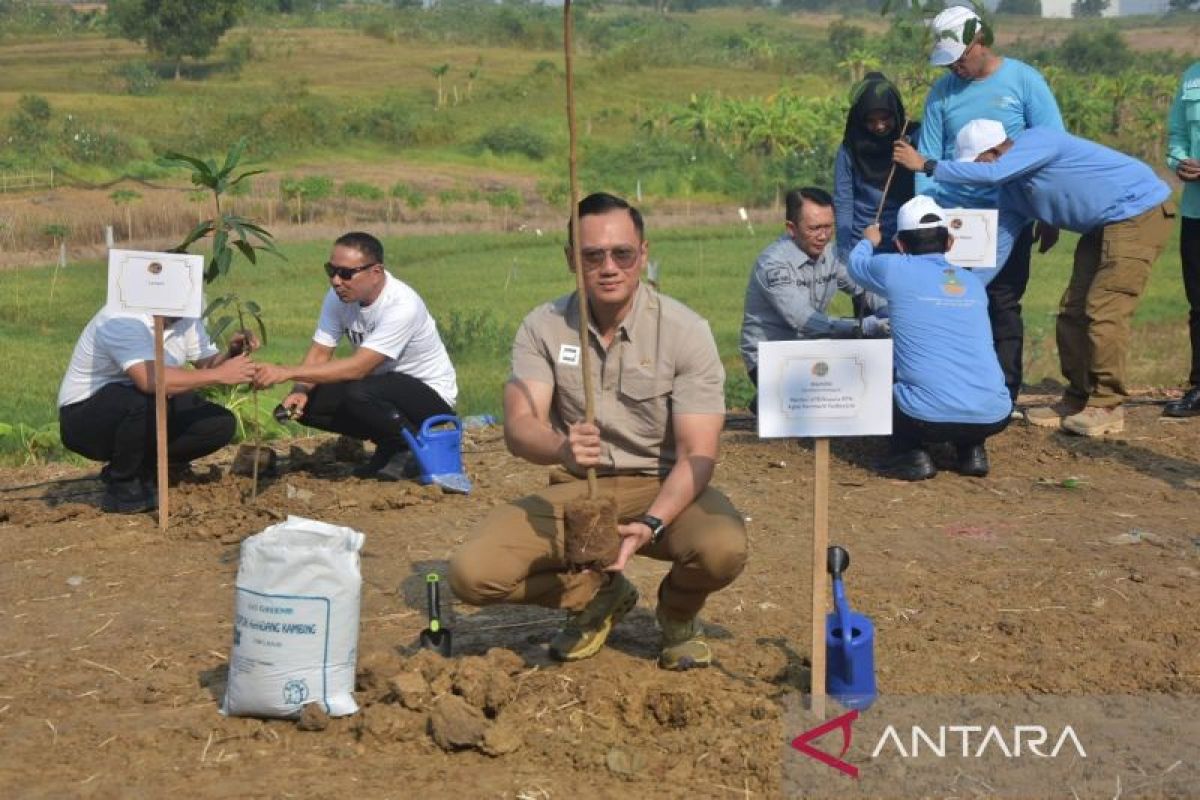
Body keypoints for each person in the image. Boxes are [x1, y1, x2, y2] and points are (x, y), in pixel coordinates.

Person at [449, 192, 747, 671]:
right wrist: (561, 447)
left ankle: (677, 615)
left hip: (664, 486)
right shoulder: (543, 327)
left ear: (643, 254)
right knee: (472, 575)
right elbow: (520, 426)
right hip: (579, 490)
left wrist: (651, 525)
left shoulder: (684, 330)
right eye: (592, 256)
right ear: (571, 259)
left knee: (722, 548)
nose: (609, 267)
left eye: (622, 254)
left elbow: (699, 453)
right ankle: (595, 595)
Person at [895, 120, 1176, 436]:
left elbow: (993, 173)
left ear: (996, 150)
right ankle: (1078, 397)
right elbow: (993, 258)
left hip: (1138, 212)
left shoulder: (1040, 140)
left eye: (977, 163)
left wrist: (927, 165)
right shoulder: (1012, 194)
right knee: (1072, 311)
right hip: (1102, 225)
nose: (975, 175)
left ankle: (1107, 404)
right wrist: (954, 293)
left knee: (1104, 311)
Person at [916, 5, 1064, 404]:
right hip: (953, 219)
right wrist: (926, 218)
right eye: (948, 63)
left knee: (1002, 301)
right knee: (953, 300)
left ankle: (1004, 393)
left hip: (1010, 214)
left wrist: (1048, 213)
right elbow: (927, 157)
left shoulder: (1024, 81)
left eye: (960, 59)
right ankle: (958, 388)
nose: (955, 70)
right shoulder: (942, 93)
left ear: (980, 43)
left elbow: (1053, 143)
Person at [253, 232, 458, 480]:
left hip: (429, 398)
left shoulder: (402, 305)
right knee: (310, 404)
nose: (336, 281)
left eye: (346, 273)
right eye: (331, 270)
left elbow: (358, 368)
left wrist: (286, 372)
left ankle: (410, 446)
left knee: (360, 392)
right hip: (381, 390)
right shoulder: (338, 298)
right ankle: (390, 442)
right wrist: (299, 390)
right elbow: (320, 351)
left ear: (376, 272)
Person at [849, 196, 1012, 480]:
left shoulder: (893, 267)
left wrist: (869, 240)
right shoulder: (972, 283)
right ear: (950, 242)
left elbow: (855, 265)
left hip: (925, 419)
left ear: (900, 245)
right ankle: (972, 452)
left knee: (876, 373)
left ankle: (910, 455)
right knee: (962, 370)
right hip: (995, 415)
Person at [58, 310, 257, 513]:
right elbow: (150, 380)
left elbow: (206, 363)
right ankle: (124, 485)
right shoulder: (120, 317)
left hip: (143, 404)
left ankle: (146, 467)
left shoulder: (184, 316)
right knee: (146, 401)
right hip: (85, 418)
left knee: (218, 424)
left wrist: (231, 355)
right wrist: (219, 374)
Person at [740, 187, 886, 395]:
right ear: (791, 228)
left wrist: (891, 310)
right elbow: (804, 321)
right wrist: (863, 326)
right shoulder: (773, 266)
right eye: (814, 228)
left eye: (828, 227)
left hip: (811, 348)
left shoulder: (832, 253)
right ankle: (769, 400)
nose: (823, 236)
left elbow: (864, 288)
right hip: (771, 355)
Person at [834, 72, 919, 264]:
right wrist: (845, 252)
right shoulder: (850, 148)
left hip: (906, 243)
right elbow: (843, 199)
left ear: (896, 113)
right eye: (870, 120)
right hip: (864, 242)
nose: (879, 126)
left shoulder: (913, 137)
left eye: (885, 118)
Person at [1164, 60, 1200, 418]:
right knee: (1199, 303)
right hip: (1196, 210)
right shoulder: (1191, 76)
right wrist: (1179, 162)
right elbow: (1176, 136)